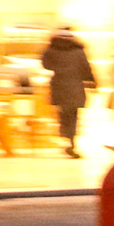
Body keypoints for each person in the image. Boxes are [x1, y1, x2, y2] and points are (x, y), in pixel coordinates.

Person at [40, 26, 95, 158]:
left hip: (59, 85)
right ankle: (71, 142)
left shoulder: (51, 50)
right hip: (75, 85)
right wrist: (93, 81)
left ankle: (65, 138)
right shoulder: (78, 50)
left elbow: (45, 65)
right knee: (73, 115)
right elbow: (86, 68)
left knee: (63, 114)